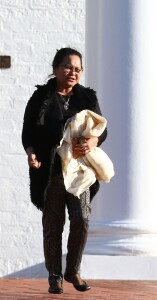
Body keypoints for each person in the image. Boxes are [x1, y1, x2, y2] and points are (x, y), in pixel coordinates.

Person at [22, 47, 107, 294]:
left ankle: (73, 270)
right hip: (51, 171)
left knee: (81, 219)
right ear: (56, 69)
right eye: (68, 67)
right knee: (53, 224)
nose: (73, 72)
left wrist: (93, 142)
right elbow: (28, 132)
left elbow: (102, 129)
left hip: (80, 171)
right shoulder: (40, 98)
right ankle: (55, 276)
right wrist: (31, 152)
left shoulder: (87, 98)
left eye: (78, 69)